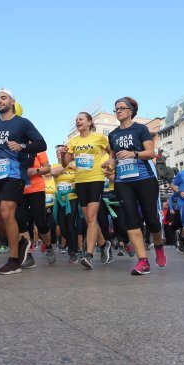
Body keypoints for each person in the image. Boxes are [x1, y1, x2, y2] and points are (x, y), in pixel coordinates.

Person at [0, 89, 47, 275]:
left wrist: (22, 146)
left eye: (3, 98)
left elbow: (41, 144)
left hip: (14, 173)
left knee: (7, 212)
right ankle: (21, 241)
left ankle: (14, 261)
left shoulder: (22, 123)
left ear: (12, 101)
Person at [104, 96, 167, 275]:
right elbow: (113, 156)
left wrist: (133, 154)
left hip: (144, 178)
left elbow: (150, 153)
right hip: (123, 181)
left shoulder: (140, 129)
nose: (118, 111)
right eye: (116, 108)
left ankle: (159, 246)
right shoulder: (113, 134)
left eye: (122, 108)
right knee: (130, 219)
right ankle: (143, 260)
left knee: (152, 219)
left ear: (130, 111)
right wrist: (109, 165)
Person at [64, 112, 110, 270]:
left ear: (90, 122)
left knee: (91, 217)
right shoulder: (73, 141)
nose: (78, 121)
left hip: (96, 179)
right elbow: (65, 163)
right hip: (80, 181)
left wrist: (110, 164)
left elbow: (113, 153)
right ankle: (104, 244)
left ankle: (89, 255)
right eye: (76, 120)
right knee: (88, 219)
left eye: (81, 119)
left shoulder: (99, 138)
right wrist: (65, 154)